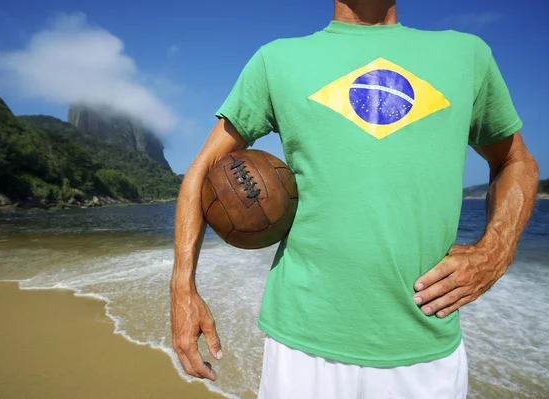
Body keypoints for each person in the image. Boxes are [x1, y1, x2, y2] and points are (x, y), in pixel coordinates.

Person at [170, 0, 539, 398]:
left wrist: (495, 251)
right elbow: (203, 167)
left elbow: (516, 161)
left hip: (425, 343)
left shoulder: (468, 55)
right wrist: (182, 288)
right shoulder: (276, 60)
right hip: (301, 345)